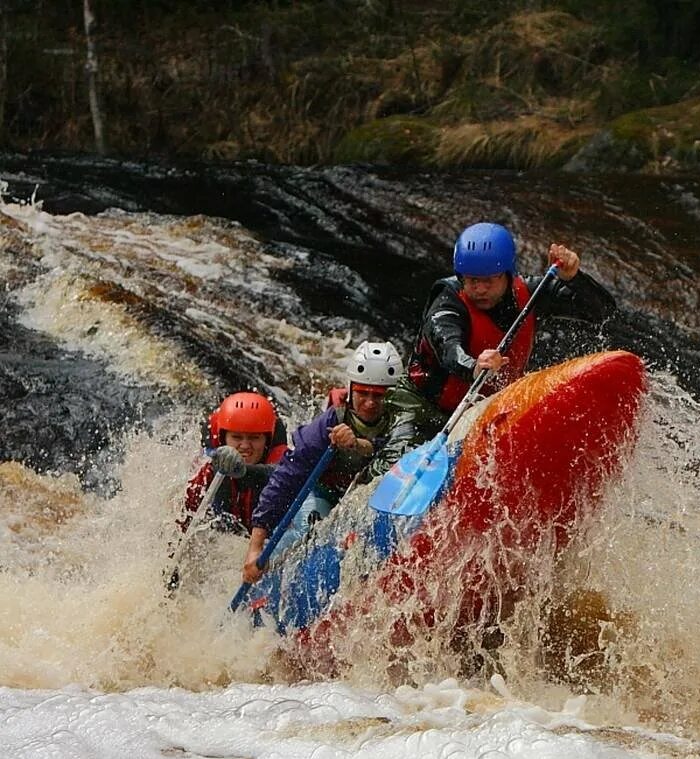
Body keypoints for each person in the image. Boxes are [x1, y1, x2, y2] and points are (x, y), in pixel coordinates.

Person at [366, 222, 618, 478]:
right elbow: (448, 347)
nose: (479, 289)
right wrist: (473, 365)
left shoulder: (530, 294)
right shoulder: (447, 300)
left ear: (508, 275)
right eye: (472, 280)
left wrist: (574, 277)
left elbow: (602, 312)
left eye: (488, 280)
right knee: (394, 462)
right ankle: (364, 481)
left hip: (487, 410)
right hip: (424, 408)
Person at [241, 341, 402, 583]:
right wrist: (256, 546)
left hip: (368, 499)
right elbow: (287, 477)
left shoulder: (401, 421)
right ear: (350, 390)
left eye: (378, 396)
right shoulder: (329, 424)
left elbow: (386, 450)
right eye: (362, 393)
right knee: (310, 526)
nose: (369, 402)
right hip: (324, 495)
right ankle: (271, 580)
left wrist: (357, 445)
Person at [181, 391, 288, 536]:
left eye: (254, 438)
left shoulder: (283, 459)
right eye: (236, 437)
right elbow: (184, 513)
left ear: (267, 441)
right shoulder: (207, 463)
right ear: (223, 438)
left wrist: (244, 470)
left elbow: (282, 476)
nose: (244, 446)